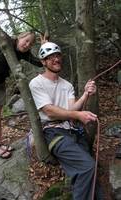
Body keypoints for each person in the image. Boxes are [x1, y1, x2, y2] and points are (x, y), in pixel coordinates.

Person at [29, 42, 103, 200]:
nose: (56, 59)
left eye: (57, 55)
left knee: (92, 168)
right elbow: (49, 111)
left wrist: (85, 94)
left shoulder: (67, 85)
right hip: (53, 132)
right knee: (87, 167)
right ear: (43, 62)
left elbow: (72, 109)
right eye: (50, 57)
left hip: (72, 131)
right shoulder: (36, 83)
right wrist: (77, 116)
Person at [0, 31, 43, 159]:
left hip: (0, 84)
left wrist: (44, 46)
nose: (27, 45)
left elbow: (39, 62)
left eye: (30, 44)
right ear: (19, 37)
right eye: (26, 40)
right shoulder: (7, 41)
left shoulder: (24, 53)